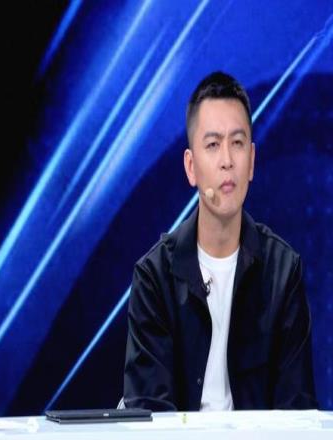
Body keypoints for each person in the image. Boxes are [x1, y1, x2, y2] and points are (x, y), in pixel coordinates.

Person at [124, 71, 317, 411]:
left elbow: (297, 412)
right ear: (191, 167)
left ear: (252, 161)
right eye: (213, 145)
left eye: (237, 143)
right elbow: (149, 416)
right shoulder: (154, 278)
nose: (227, 161)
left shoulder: (283, 272)